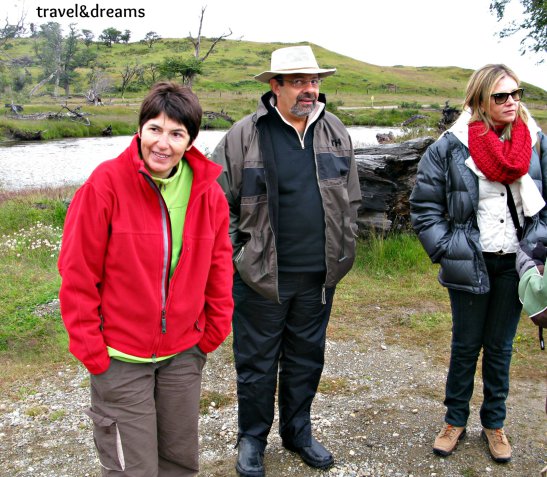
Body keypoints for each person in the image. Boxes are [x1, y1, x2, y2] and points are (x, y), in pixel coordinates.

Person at [57, 81, 234, 477]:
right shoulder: (104, 185)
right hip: (119, 358)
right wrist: (92, 350)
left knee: (179, 460)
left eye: (177, 133)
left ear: (190, 141)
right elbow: (77, 271)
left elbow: (220, 267)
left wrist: (213, 331)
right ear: (140, 130)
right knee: (132, 468)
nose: (163, 143)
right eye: (155, 128)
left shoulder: (207, 193)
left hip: (183, 355)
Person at [211, 45, 361, 477]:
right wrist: (237, 254)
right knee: (257, 364)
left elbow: (350, 198)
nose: (309, 90)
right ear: (274, 86)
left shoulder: (334, 130)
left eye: (313, 82)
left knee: (306, 359)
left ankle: (298, 434)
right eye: (298, 82)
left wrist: (345, 244)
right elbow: (218, 204)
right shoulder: (244, 135)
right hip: (261, 277)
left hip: (319, 277)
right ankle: (252, 439)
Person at [410, 64, 547, 464]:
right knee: (466, 345)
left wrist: (538, 247)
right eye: (501, 96)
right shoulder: (450, 147)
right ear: (479, 100)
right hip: (470, 260)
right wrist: (447, 248)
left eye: (516, 93)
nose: (511, 102)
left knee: (501, 347)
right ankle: (454, 420)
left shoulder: (535, 143)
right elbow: (424, 208)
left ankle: (494, 423)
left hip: (516, 262)